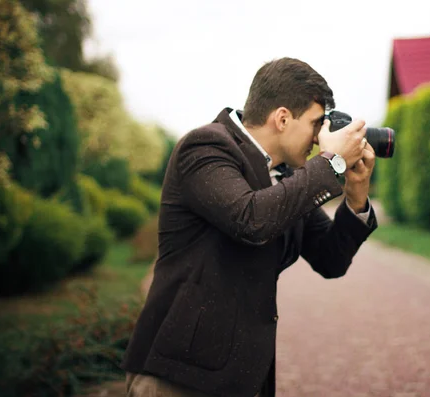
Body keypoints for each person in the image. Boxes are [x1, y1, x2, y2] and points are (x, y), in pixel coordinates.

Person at [121, 57, 378, 397]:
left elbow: (331, 259)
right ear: (283, 118)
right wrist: (330, 163)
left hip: (242, 378)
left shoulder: (287, 176)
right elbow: (250, 219)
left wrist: (356, 195)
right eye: (316, 124)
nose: (319, 138)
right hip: (179, 375)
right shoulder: (207, 148)